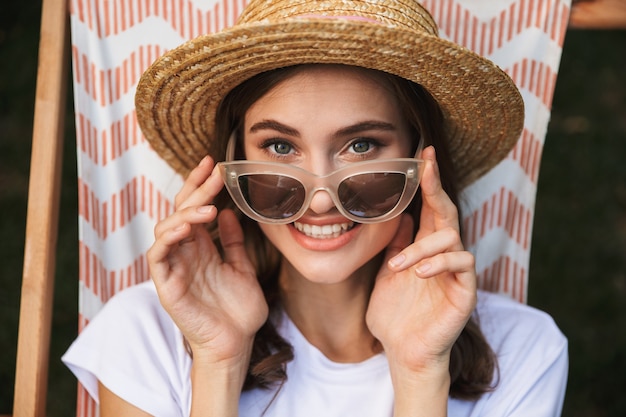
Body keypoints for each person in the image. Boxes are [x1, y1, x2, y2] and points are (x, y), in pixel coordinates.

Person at [63, 0, 568, 416]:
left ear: (422, 157)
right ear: (231, 161)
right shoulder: (146, 333)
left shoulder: (523, 349)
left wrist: (419, 375)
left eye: (362, 145)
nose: (322, 198)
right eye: (281, 148)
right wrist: (218, 363)